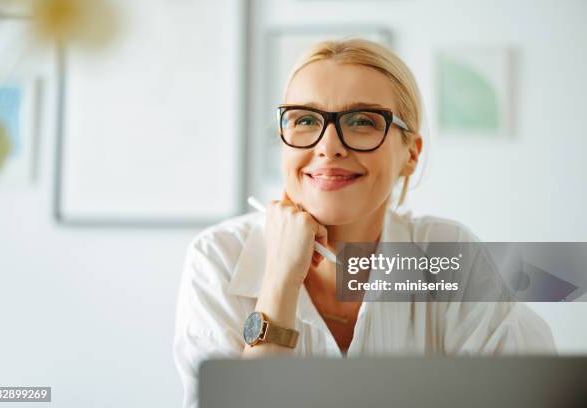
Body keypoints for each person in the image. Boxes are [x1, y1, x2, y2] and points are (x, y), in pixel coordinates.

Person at [173, 38, 556, 408]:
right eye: (305, 119)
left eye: (362, 122)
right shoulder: (219, 257)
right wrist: (278, 281)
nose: (328, 146)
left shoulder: (447, 252)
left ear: (411, 154)